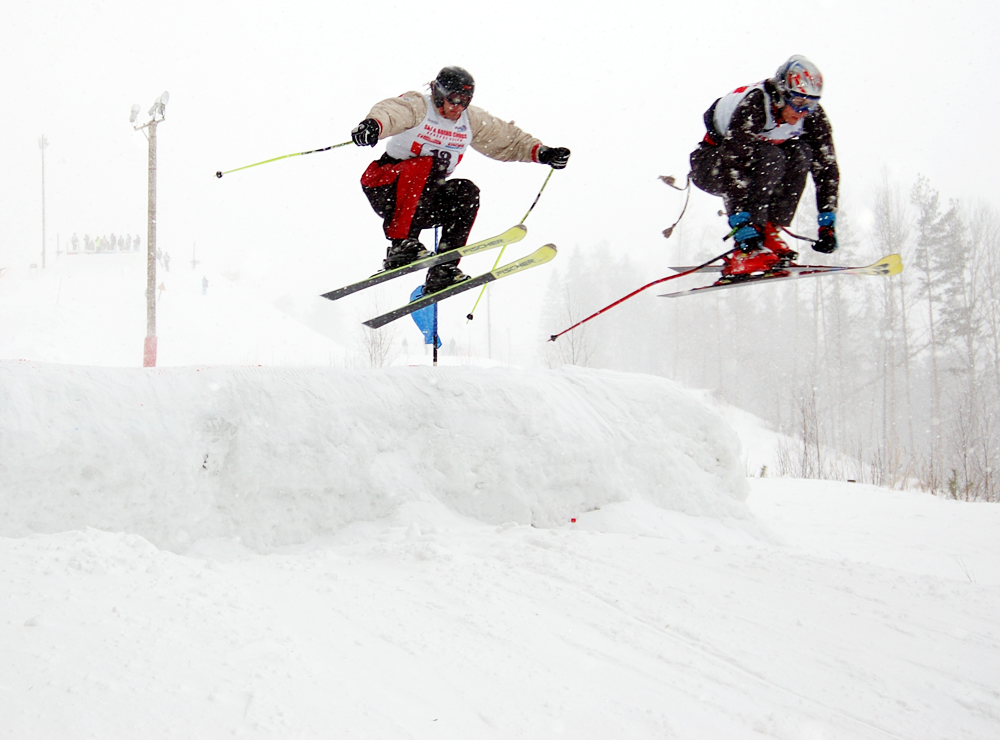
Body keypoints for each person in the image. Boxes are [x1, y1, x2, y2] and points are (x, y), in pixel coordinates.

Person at [351, 66, 571, 294]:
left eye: (464, 101)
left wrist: (542, 153)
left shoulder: (471, 120)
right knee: (429, 164)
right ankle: (401, 245)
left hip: (424, 200)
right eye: (453, 99)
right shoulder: (419, 106)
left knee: (466, 190)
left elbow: (507, 139)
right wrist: (373, 125)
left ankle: (443, 270)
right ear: (438, 94)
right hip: (387, 186)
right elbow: (393, 112)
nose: (458, 107)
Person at [689, 55, 839, 278]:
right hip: (711, 165)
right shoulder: (757, 105)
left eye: (811, 104)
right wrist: (741, 224)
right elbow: (734, 164)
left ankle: (769, 229)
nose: (803, 112)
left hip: (752, 167)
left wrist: (827, 221)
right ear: (781, 94)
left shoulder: (811, 117)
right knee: (771, 155)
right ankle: (747, 248)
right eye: (798, 103)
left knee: (801, 153)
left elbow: (825, 166)